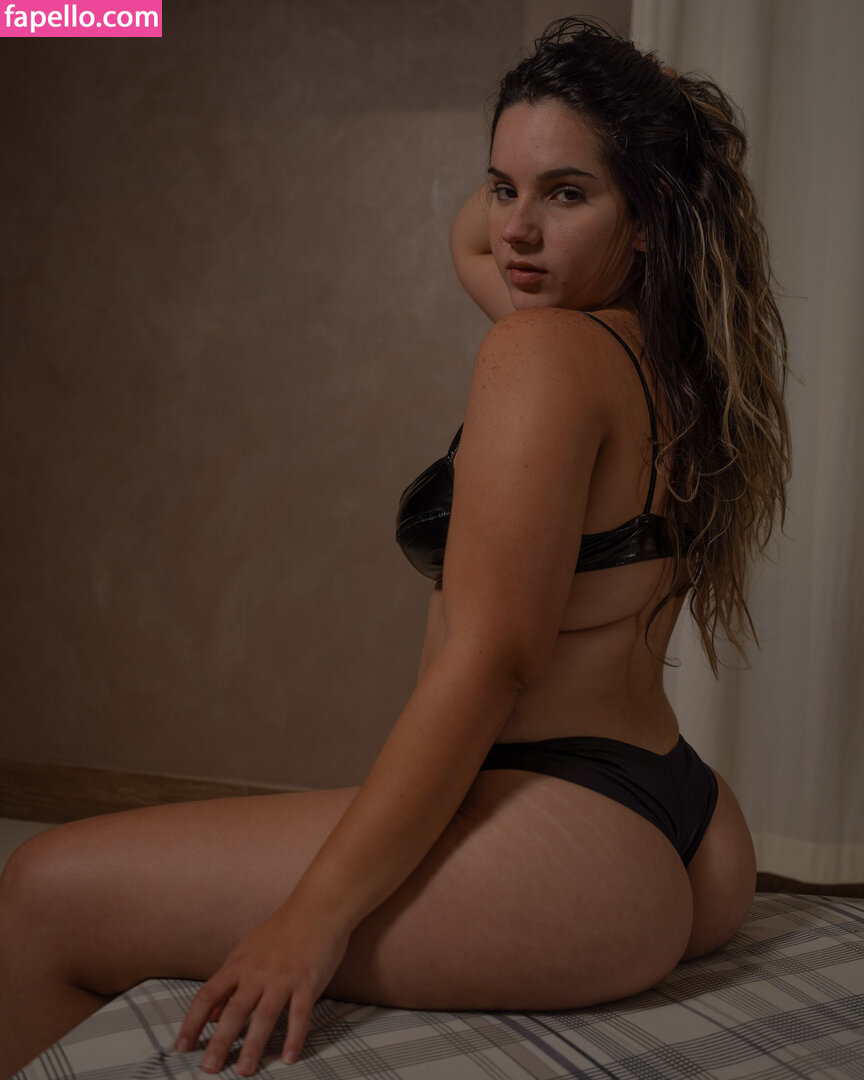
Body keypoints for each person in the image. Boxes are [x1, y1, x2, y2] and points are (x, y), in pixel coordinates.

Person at [0, 19, 790, 1078]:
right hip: (688, 816)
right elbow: (476, 242)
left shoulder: (542, 352)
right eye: (502, 186)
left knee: (40, 890)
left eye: (565, 193)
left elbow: (494, 659)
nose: (514, 229)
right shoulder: (676, 352)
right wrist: (630, 109)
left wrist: (314, 916)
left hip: (572, 834)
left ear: (646, 214)